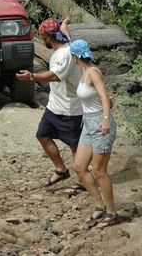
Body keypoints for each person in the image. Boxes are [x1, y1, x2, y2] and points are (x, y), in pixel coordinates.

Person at [15, 18, 84, 188]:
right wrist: (65, 25)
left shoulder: (64, 54)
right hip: (54, 106)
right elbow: (67, 35)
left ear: (47, 38)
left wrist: (31, 76)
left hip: (70, 109)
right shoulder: (67, 44)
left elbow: (54, 75)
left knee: (74, 146)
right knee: (42, 135)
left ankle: (84, 179)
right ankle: (61, 170)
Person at [68, 39, 118, 229]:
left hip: (100, 123)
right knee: (79, 166)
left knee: (99, 170)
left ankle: (112, 212)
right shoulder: (83, 70)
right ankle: (98, 204)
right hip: (88, 123)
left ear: (76, 56)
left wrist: (105, 118)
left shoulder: (93, 72)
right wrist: (64, 29)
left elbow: (105, 97)